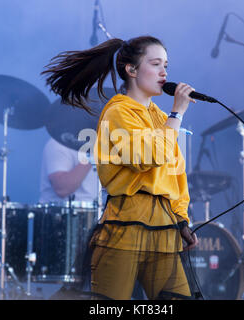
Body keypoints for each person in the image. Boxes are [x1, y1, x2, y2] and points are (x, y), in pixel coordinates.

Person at [41, 36, 199, 300]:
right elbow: (147, 157)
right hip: (126, 227)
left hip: (164, 228)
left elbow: (176, 175)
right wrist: (177, 114)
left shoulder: (163, 119)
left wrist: (182, 220)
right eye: (156, 64)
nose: (164, 73)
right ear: (132, 70)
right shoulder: (118, 112)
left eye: (166, 66)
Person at [39, 137, 98, 203]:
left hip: (97, 210)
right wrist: (92, 155)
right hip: (63, 212)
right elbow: (62, 189)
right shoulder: (58, 143)